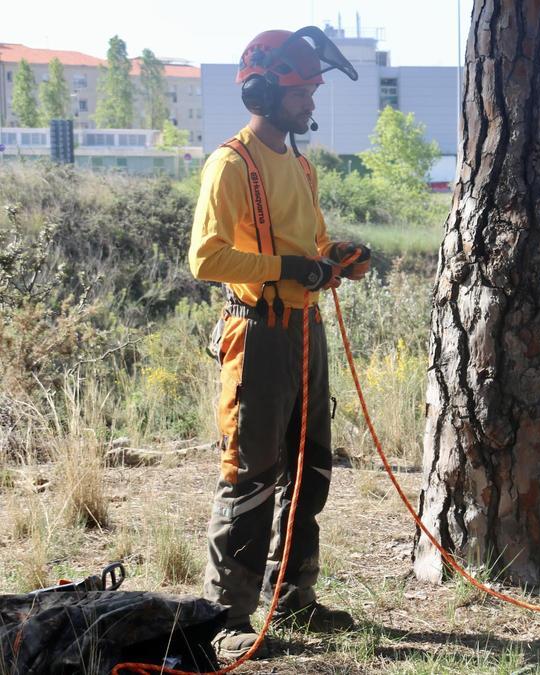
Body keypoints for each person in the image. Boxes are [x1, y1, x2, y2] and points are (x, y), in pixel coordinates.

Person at [188, 26, 370, 660]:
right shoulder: (231, 164)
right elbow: (206, 258)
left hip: (306, 333)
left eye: (313, 89)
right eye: (303, 91)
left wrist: (337, 258)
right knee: (251, 473)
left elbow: (312, 246)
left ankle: (293, 594)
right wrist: (287, 271)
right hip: (259, 333)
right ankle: (227, 615)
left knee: (308, 465)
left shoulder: (299, 166)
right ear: (265, 91)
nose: (311, 100)